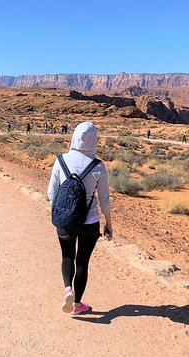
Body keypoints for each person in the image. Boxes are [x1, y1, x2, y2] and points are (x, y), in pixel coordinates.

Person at [47, 122, 112, 315]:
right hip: (89, 222)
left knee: (67, 256)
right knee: (82, 261)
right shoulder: (98, 166)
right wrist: (109, 223)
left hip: (65, 220)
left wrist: (61, 211)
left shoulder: (61, 160)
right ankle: (77, 304)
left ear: (74, 137)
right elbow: (105, 199)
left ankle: (68, 289)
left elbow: (52, 192)